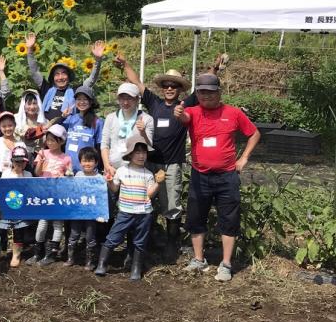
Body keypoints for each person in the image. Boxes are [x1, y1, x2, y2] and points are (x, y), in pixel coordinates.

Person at [116, 54, 226, 250]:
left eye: (173, 86)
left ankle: (171, 246)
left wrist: (215, 69)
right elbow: (137, 82)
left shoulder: (185, 105)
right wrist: (125, 64)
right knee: (143, 200)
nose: (169, 88)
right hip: (148, 163)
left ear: (179, 90)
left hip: (171, 164)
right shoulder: (154, 103)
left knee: (171, 205)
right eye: (166, 85)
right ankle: (144, 242)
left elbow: (202, 86)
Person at [174, 74, 260, 282]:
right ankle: (198, 259)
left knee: (229, 218)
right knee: (196, 216)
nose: (206, 96)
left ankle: (226, 263)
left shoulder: (233, 113)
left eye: (210, 92)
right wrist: (177, 113)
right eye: (201, 92)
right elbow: (183, 118)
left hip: (226, 176)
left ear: (219, 93)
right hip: (200, 175)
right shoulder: (193, 112)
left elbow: (254, 133)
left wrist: (244, 158)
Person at [96, 137, 164, 281]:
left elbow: (150, 194)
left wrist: (158, 183)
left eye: (144, 153)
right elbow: (115, 189)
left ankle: (136, 269)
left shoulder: (148, 174)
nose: (141, 156)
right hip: (125, 213)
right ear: (130, 154)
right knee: (114, 237)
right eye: (137, 152)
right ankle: (102, 264)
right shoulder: (121, 170)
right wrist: (109, 181)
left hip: (144, 214)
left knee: (139, 242)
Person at [26, 35, 105, 119]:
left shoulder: (76, 90)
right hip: (46, 128)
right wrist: (30, 51)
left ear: (68, 76)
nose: (60, 77)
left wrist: (98, 60)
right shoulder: (47, 88)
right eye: (57, 74)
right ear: (53, 77)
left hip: (69, 129)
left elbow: (91, 80)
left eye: (64, 73)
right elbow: (34, 72)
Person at [30, 124, 73, 266]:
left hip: (58, 195)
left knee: (57, 224)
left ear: (61, 141)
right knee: (42, 224)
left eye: (53, 140)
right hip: (44, 194)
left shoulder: (66, 157)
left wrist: (68, 174)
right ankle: (37, 253)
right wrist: (40, 162)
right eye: (47, 139)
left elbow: (69, 174)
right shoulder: (43, 153)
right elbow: (37, 173)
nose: (49, 142)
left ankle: (51, 254)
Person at [101, 83, 155, 176]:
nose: (125, 102)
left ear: (137, 99)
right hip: (113, 170)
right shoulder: (111, 118)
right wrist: (107, 165)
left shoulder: (147, 119)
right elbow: (104, 144)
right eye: (122, 98)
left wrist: (143, 133)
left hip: (137, 172)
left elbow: (149, 147)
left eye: (130, 98)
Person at [65, 147, 105, 270]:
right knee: (74, 234)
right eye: (84, 161)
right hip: (78, 211)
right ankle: (70, 258)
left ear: (96, 162)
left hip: (92, 213)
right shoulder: (78, 174)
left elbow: (101, 197)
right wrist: (69, 179)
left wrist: (102, 213)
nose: (87, 163)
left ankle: (90, 261)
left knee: (90, 237)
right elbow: (72, 191)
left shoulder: (99, 178)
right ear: (80, 162)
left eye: (90, 161)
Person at [0, 144, 33, 267]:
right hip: (6, 208)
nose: (20, 164)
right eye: (17, 161)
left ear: (26, 162)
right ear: (12, 161)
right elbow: (1, 189)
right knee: (0, 230)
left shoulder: (28, 175)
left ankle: (16, 255)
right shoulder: (6, 173)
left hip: (21, 209)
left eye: (22, 162)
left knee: (19, 231)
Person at [62, 86, 104, 170]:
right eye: (79, 99)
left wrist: (100, 167)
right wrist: (62, 117)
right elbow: (55, 134)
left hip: (87, 169)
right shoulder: (70, 119)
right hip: (68, 168)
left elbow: (100, 146)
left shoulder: (98, 122)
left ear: (91, 101)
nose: (82, 102)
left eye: (85, 99)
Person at [14, 89, 47, 156]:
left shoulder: (45, 122)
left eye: (34, 103)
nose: (32, 107)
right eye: (29, 104)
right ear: (24, 105)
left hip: (38, 157)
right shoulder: (16, 120)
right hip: (20, 156)